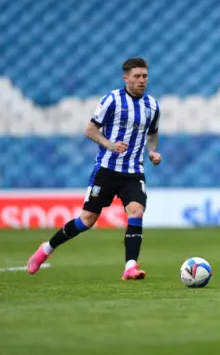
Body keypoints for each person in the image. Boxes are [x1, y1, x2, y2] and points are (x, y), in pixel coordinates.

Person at [26, 57, 162, 281]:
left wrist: (152, 152)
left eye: (144, 76)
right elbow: (90, 130)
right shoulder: (112, 100)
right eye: (136, 76)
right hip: (107, 170)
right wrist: (110, 144)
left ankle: (130, 267)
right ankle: (46, 249)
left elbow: (153, 133)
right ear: (126, 78)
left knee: (136, 211)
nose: (141, 81)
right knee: (87, 220)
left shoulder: (153, 106)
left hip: (134, 172)